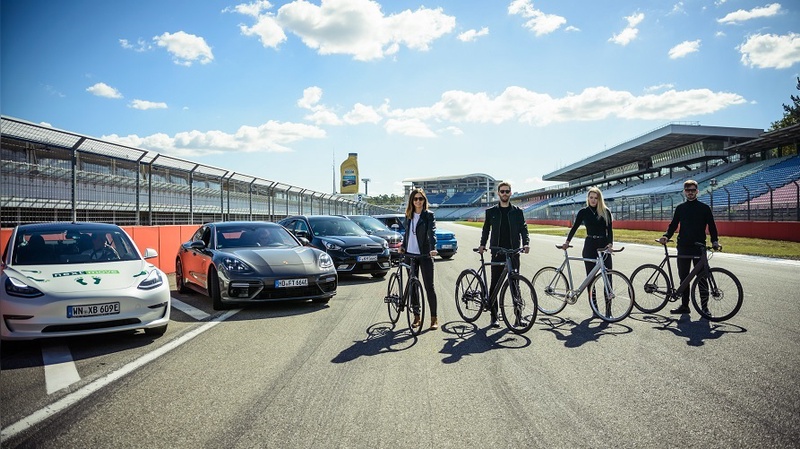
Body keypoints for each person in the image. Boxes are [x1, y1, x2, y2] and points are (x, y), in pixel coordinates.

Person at [658, 179, 720, 315]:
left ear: (697, 191)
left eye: (693, 190)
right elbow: (673, 225)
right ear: (684, 192)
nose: (690, 193)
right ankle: (684, 306)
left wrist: (715, 241)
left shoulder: (704, 208)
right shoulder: (680, 208)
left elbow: (712, 226)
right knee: (684, 278)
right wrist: (666, 236)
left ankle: (705, 308)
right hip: (683, 247)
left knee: (702, 278)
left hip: (699, 247)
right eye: (688, 190)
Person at [478, 182, 530, 328]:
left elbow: (524, 229)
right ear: (498, 193)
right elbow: (486, 230)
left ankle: (518, 317)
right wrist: (482, 245)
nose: (505, 193)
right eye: (502, 191)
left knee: (515, 284)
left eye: (507, 191)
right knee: (495, 283)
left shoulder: (517, 212)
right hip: (497, 251)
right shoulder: (491, 212)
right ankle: (494, 316)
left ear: (511, 193)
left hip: (513, 252)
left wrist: (526, 243)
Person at [560, 187, 614, 317]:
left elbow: (610, 230)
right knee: (590, 278)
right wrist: (567, 242)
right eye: (591, 197)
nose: (593, 200)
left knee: (608, 277)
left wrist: (610, 244)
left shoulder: (605, 211)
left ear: (599, 199)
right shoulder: (583, 212)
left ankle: (608, 310)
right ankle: (594, 308)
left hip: (603, 246)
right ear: (588, 198)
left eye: (596, 198)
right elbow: (574, 227)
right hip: (589, 245)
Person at [400, 188, 440, 330]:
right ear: (412, 200)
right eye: (415, 199)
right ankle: (416, 316)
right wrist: (403, 246)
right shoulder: (408, 215)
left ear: (424, 201)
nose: (418, 201)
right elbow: (406, 234)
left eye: (420, 199)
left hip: (424, 255)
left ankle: (434, 318)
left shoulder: (428, 215)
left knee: (429, 287)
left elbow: (432, 232)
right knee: (413, 286)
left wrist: (433, 247)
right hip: (410, 255)